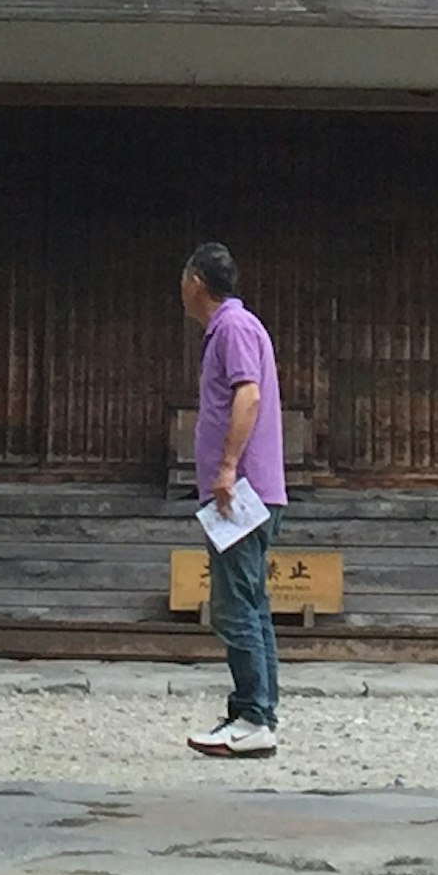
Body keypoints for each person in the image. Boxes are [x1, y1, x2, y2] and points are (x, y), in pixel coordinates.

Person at [180, 241, 285, 759]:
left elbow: (249, 394)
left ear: (196, 281)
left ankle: (252, 715)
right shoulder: (230, 329)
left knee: (234, 606)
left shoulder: (234, 328)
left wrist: (225, 467)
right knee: (251, 603)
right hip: (246, 489)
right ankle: (258, 711)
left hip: (241, 490)